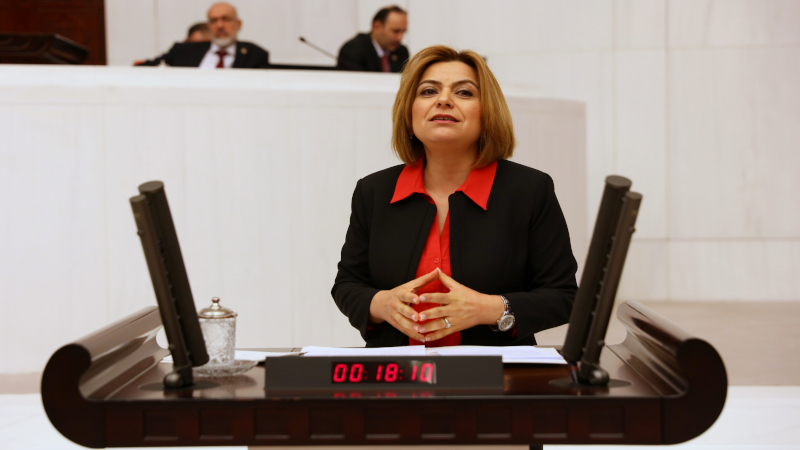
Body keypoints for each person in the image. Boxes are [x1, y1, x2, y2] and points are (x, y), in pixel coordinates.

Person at [332, 45, 578, 348]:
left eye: (464, 92)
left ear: (487, 112)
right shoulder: (373, 191)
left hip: (497, 373)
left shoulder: (530, 190)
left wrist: (490, 309)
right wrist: (380, 304)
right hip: (397, 371)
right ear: (409, 111)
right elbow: (347, 285)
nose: (444, 100)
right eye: (428, 91)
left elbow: (564, 296)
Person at [137, 2, 269, 68]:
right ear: (208, 26)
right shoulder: (183, 51)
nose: (220, 25)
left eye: (226, 19)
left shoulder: (254, 54)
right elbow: (150, 68)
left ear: (238, 24)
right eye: (213, 20)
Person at [336, 5, 409, 73]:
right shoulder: (352, 50)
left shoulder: (402, 52)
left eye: (403, 32)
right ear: (376, 27)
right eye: (396, 31)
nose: (400, 38)